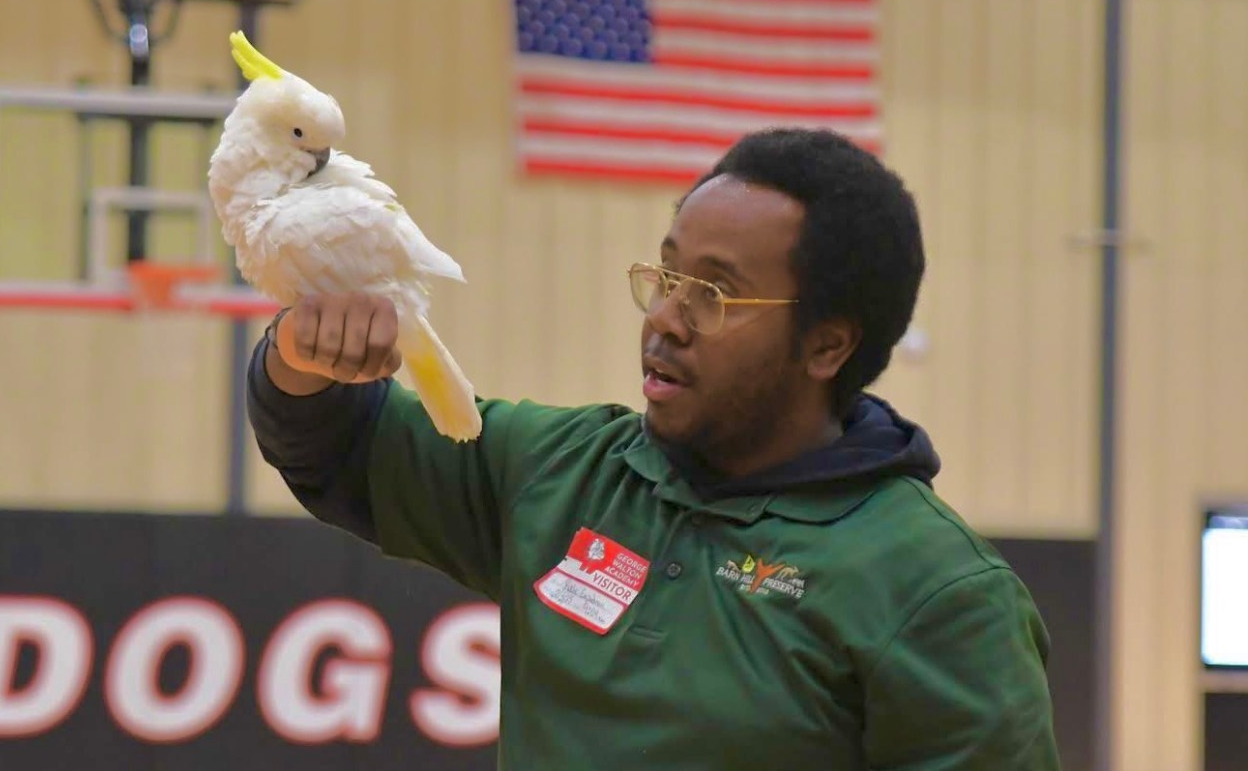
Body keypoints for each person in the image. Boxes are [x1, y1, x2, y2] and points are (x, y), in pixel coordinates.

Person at [248, 127, 1060, 770]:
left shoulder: (941, 595)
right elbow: (338, 446)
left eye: (715, 292)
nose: (667, 317)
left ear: (826, 346)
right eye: (666, 275)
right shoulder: (559, 469)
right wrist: (302, 357)